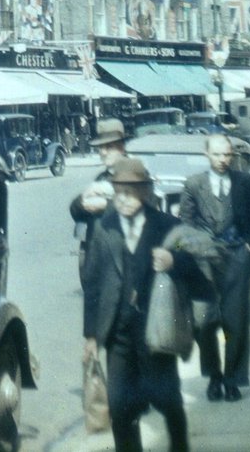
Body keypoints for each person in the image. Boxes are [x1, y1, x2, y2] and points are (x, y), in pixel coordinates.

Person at [81, 158, 211, 452]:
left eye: (131, 191)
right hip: (118, 332)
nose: (123, 199)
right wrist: (91, 335)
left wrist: (173, 260)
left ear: (145, 192)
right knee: (121, 406)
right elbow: (93, 284)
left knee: (167, 400)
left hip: (156, 329)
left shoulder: (167, 226)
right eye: (118, 192)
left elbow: (195, 265)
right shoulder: (105, 227)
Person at [179, 133, 250, 402]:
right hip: (204, 260)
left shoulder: (245, 183)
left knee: (236, 321)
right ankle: (214, 376)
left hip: (236, 256)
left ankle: (232, 379)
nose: (222, 160)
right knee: (204, 322)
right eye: (217, 154)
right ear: (206, 154)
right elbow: (186, 223)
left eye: (227, 155)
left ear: (233, 155)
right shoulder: (194, 184)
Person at [70, 118, 130, 271]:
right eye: (100, 147)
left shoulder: (138, 175)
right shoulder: (101, 178)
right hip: (99, 266)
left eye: (109, 147)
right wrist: (83, 201)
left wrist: (106, 205)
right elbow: (75, 211)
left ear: (122, 148)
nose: (103, 152)